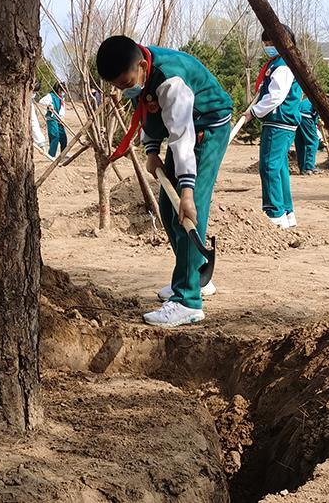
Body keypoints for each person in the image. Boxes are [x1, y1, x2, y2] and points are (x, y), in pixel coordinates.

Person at [97, 35, 232, 327]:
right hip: (185, 127)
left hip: (206, 127)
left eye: (125, 83)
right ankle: (194, 277)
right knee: (167, 207)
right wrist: (151, 149)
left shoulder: (172, 83)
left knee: (186, 212)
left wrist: (187, 193)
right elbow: (148, 109)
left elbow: (183, 139)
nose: (123, 90)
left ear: (142, 66)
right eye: (117, 86)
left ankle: (188, 301)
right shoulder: (141, 73)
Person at [245, 27, 302, 228]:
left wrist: (254, 112)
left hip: (279, 122)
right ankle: (286, 212)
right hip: (281, 122)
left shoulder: (283, 66)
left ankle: (274, 214)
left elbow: (276, 96)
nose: (268, 47)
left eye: (271, 43)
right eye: (266, 44)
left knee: (268, 166)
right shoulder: (278, 64)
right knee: (279, 168)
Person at [37, 82, 69, 158]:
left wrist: (62, 117)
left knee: (63, 136)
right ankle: (51, 155)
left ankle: (64, 153)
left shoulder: (61, 97)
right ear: (58, 89)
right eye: (62, 90)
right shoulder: (51, 96)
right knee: (55, 136)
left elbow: (62, 109)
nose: (64, 92)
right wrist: (49, 105)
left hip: (59, 119)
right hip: (52, 118)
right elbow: (41, 101)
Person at [294, 95, 321, 176]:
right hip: (306, 117)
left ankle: (302, 168)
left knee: (300, 143)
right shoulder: (318, 100)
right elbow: (317, 113)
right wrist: (317, 121)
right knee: (313, 141)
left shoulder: (307, 100)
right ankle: (309, 167)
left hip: (297, 117)